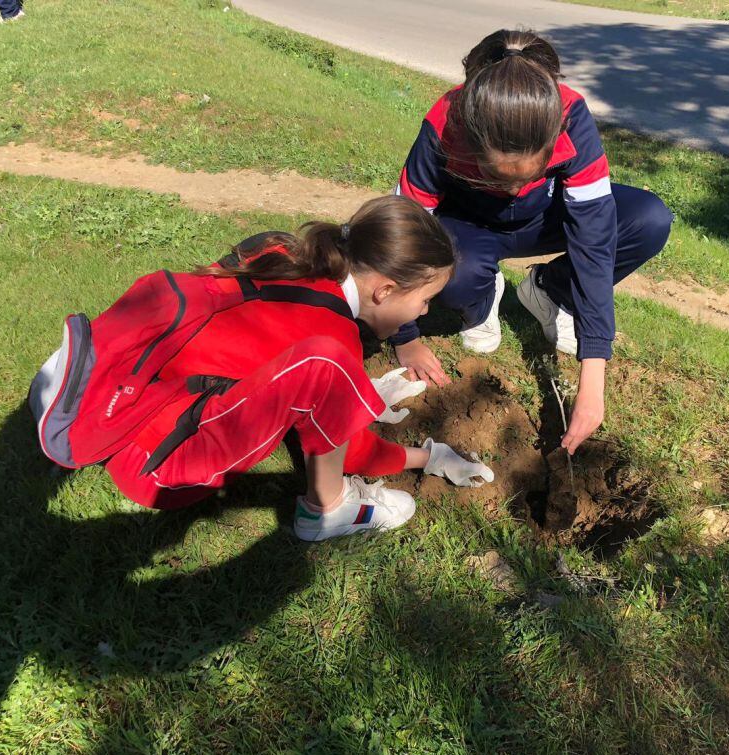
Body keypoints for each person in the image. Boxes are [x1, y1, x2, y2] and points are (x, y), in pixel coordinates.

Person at [98, 197, 494, 541]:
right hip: (162, 470)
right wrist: (429, 457)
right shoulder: (337, 339)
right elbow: (353, 454)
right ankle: (327, 511)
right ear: (385, 290)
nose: (424, 311)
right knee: (328, 369)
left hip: (116, 408)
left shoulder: (282, 254)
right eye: (425, 300)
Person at [393, 29, 674, 454]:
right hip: (469, 229)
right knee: (455, 276)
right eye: (497, 177)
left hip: (545, 218)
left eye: (527, 176)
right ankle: (481, 299)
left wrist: (592, 380)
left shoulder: (571, 117)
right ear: (473, 141)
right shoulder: (444, 125)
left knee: (648, 219)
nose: (511, 189)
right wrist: (406, 338)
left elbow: (594, 245)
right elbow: (403, 234)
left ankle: (548, 291)